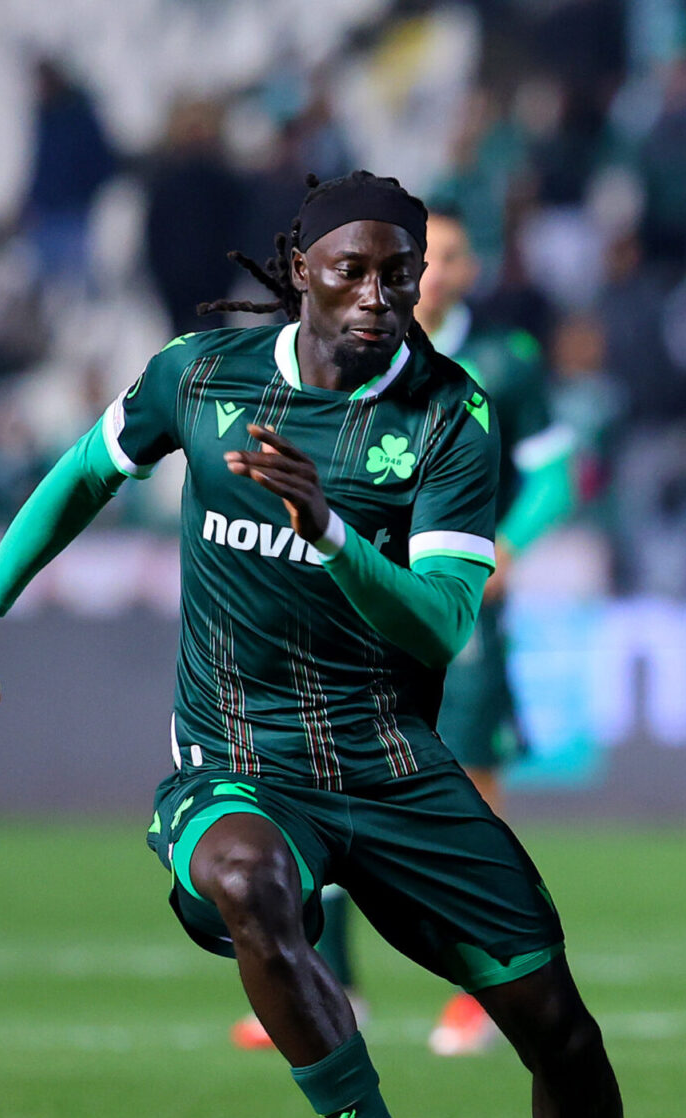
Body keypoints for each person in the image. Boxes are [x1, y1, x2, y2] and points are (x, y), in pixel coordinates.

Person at [0, 171, 623, 1118]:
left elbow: (441, 625)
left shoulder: (448, 415)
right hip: (240, 760)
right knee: (249, 880)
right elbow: (89, 469)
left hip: (391, 764)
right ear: (301, 269)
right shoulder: (199, 374)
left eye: (399, 274)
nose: (376, 295)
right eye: (352, 271)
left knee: (564, 1038)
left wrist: (331, 533)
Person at [231, 206, 579, 1057]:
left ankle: (484, 990)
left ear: (463, 272)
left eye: (450, 255)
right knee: (321, 777)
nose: (435, 269)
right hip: (353, 597)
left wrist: (504, 549)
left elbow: (557, 476)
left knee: (472, 787)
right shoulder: (347, 347)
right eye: (427, 255)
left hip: (455, 602)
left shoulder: (503, 361)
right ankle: (335, 986)